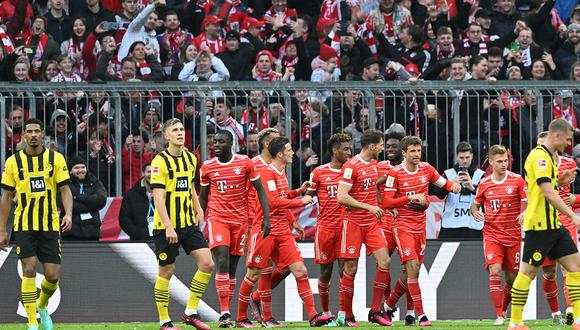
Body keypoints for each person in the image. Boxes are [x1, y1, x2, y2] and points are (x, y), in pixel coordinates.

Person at [235, 136, 334, 328]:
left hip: (282, 230)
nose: (292, 153)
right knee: (253, 274)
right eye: (289, 150)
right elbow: (272, 202)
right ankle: (241, 318)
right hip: (265, 229)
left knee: (300, 270)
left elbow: (281, 196)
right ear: (280, 154)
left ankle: (313, 316)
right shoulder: (266, 173)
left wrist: (297, 191)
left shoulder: (280, 173)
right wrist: (301, 201)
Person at [0, 118, 73, 330]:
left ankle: (42, 306)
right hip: (25, 225)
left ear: (42, 135)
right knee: (29, 269)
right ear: (24, 135)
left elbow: (65, 189)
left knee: (52, 276)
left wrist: (68, 214)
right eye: (29, 131)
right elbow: (6, 196)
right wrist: (2, 229)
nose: (33, 135)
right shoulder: (13, 162)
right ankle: (32, 323)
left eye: (37, 131)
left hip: (50, 225)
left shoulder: (56, 159)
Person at [508, 118, 580, 330]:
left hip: (554, 226)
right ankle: (515, 322)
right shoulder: (539, 156)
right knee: (527, 273)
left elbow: (545, 186)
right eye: (567, 140)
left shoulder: (548, 157)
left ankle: (577, 319)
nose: (568, 145)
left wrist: (560, 181)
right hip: (539, 226)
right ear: (556, 135)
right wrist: (573, 216)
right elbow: (547, 193)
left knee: (575, 267)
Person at [382, 136, 461, 326]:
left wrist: (454, 186)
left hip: (420, 227)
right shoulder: (395, 173)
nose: (417, 154)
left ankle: (389, 304)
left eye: (419, 151)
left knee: (410, 272)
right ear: (404, 153)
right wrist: (409, 199)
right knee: (413, 268)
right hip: (401, 226)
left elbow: (444, 184)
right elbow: (386, 202)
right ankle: (422, 314)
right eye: (413, 151)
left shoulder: (427, 168)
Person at [198, 130, 270, 327]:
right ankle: (224, 313)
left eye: (220, 141)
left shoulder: (245, 162)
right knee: (221, 260)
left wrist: (266, 218)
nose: (216, 145)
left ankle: (227, 312)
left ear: (230, 144)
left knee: (231, 268)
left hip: (240, 221)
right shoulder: (207, 167)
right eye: (214, 141)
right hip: (218, 218)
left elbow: (260, 190)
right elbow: (203, 196)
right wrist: (198, 217)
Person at [150, 118, 214, 330]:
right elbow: (158, 197)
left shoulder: (190, 158)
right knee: (166, 271)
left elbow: (190, 187)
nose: (179, 133)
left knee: (207, 263)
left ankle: (190, 312)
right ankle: (164, 321)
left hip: (188, 223)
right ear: (166, 136)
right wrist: (168, 226)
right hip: (166, 226)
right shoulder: (160, 161)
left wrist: (198, 207)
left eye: (181, 130)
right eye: (174, 130)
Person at [336, 129, 393, 327]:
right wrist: (369, 207)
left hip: (371, 224)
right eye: (380, 145)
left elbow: (370, 188)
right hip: (352, 223)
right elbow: (342, 197)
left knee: (385, 262)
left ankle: (375, 310)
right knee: (351, 268)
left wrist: (385, 207)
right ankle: (349, 315)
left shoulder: (373, 165)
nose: (382, 148)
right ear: (371, 147)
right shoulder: (351, 166)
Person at [470, 145, 526, 326]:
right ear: (491, 162)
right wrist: (475, 211)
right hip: (492, 234)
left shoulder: (517, 180)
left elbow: (527, 201)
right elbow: (475, 204)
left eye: (506, 161)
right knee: (494, 270)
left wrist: (524, 212)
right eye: (500, 161)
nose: (504, 164)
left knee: (512, 279)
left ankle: (504, 308)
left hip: (513, 235)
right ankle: (499, 315)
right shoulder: (485, 183)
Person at [306, 133, 352, 323]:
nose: (350, 152)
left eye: (350, 149)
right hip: (325, 228)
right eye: (346, 149)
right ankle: (326, 314)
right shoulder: (319, 172)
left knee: (345, 271)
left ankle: (342, 314)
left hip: (346, 227)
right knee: (325, 272)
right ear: (335, 151)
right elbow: (308, 195)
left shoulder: (351, 171)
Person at [536, 131, 580, 326]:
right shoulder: (535, 165)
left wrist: (576, 199)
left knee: (569, 268)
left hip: (566, 221)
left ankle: (571, 310)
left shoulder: (570, 164)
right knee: (549, 272)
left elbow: (575, 195)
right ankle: (555, 313)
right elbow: (534, 193)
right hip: (544, 222)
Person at [437, 142, 486, 239]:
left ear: (472, 156)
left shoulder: (481, 175)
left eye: (467, 157)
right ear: (456, 157)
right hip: (451, 224)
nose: (464, 161)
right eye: (462, 158)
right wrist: (451, 184)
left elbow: (487, 196)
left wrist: (472, 187)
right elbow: (439, 194)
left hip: (473, 225)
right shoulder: (448, 174)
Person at [59, 156, 107, 241]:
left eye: (83, 167)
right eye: (76, 168)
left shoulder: (94, 181)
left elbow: (101, 200)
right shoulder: (64, 184)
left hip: (93, 233)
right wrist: (91, 207)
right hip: (70, 233)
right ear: (70, 171)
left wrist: (78, 197)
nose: (80, 170)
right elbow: (62, 202)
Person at [119, 163, 154, 241]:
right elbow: (124, 219)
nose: (151, 175)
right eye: (149, 172)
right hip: (139, 242)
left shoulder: (164, 193)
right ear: (143, 173)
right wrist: (138, 235)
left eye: (154, 172)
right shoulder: (131, 195)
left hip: (161, 240)